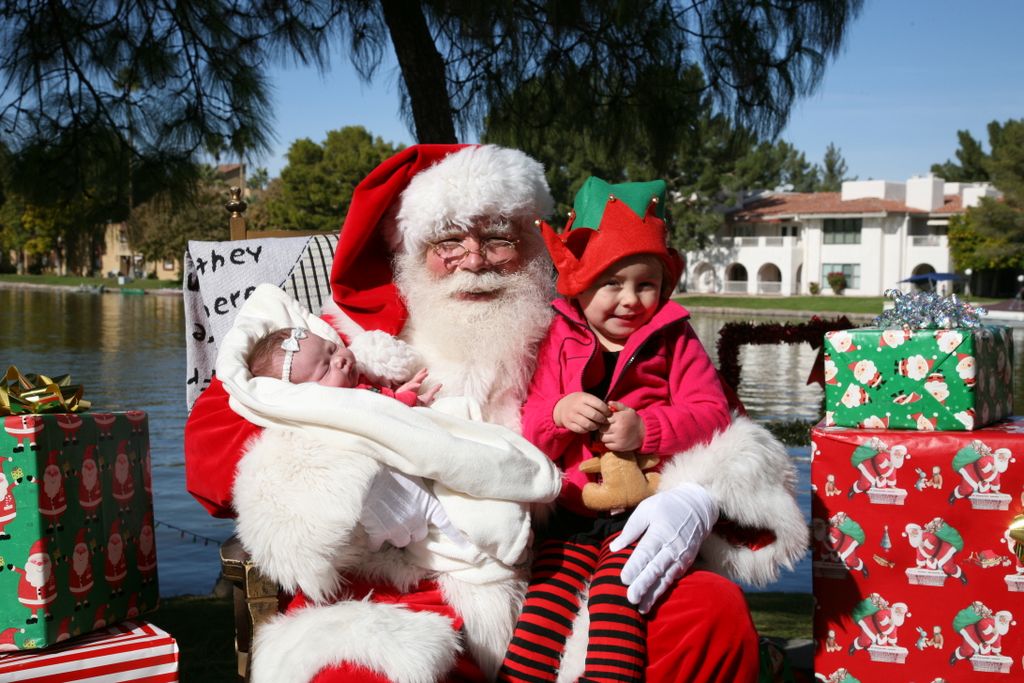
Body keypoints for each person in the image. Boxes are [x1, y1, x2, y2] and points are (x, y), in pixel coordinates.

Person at [184, 144, 806, 683]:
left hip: (568, 569)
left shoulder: (585, 322)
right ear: (410, 251)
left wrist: (693, 495)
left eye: (500, 237)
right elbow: (216, 442)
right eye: (448, 241)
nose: (475, 259)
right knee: (360, 669)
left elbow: (722, 422)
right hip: (409, 580)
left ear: (536, 247)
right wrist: (336, 474)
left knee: (708, 616)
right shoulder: (350, 337)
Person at [500, 177, 730, 683]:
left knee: (620, 601)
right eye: (612, 283)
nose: (630, 300)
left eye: (644, 284)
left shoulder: (673, 338)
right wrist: (559, 414)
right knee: (540, 612)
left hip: (646, 513)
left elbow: (713, 413)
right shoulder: (556, 336)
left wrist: (648, 428)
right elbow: (531, 426)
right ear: (580, 285)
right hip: (570, 513)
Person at [247, 326, 439, 407]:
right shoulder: (347, 400)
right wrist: (415, 400)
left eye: (332, 349)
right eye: (325, 369)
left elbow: (384, 397)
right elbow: (385, 408)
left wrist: (400, 392)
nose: (339, 360)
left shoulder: (359, 376)